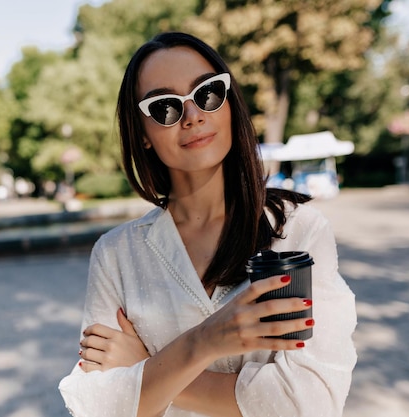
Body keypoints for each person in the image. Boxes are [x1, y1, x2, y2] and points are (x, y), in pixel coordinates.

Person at [59, 32, 357, 417]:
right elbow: (95, 405)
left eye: (208, 93)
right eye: (165, 107)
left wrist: (148, 367)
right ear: (143, 134)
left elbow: (307, 402)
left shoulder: (299, 232)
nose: (193, 116)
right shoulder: (116, 254)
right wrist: (202, 343)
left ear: (229, 104)